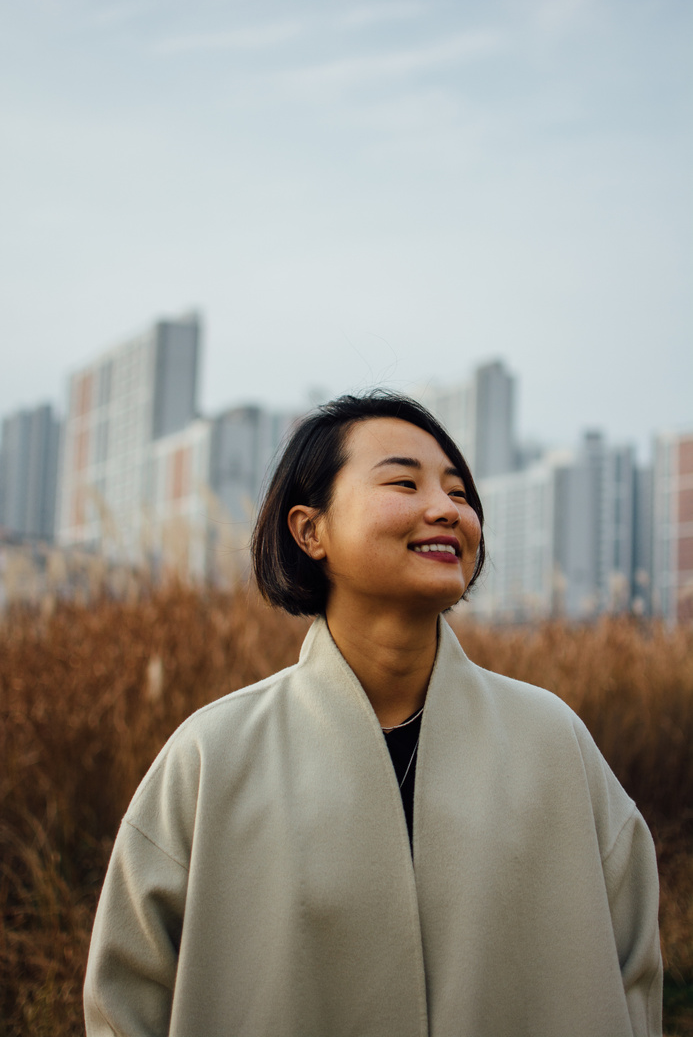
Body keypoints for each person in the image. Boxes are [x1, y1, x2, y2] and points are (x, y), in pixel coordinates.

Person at [84, 391, 662, 1037]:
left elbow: (632, 970)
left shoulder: (552, 740)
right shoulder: (213, 755)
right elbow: (125, 1002)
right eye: (402, 483)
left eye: (459, 493)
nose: (446, 510)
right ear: (309, 531)